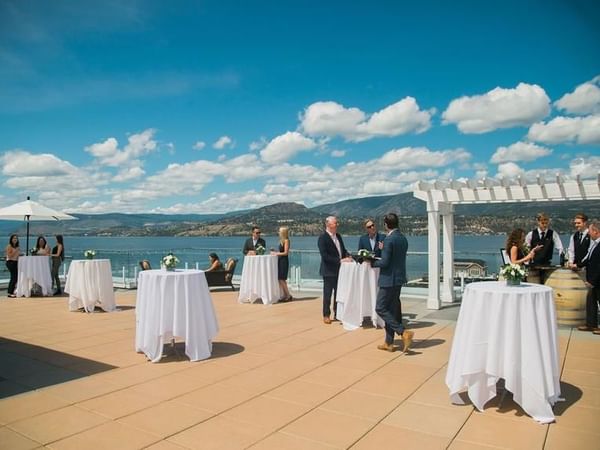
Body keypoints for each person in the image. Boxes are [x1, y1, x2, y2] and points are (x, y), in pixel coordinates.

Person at [371, 213, 414, 353]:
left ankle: (403, 332)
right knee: (390, 310)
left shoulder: (389, 240)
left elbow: (385, 262)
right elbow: (396, 257)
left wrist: (371, 262)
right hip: (399, 279)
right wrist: (384, 249)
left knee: (380, 308)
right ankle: (388, 342)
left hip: (388, 280)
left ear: (386, 225)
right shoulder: (403, 238)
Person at [317, 216, 351, 324]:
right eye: (335, 223)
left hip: (340, 270)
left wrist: (348, 256)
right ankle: (326, 315)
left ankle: (338, 314)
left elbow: (343, 250)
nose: (337, 225)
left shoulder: (338, 236)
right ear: (328, 224)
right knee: (327, 294)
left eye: (337, 223)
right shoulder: (322, 238)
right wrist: (340, 260)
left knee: (338, 293)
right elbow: (325, 256)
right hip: (328, 271)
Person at [576, 221, 600, 335]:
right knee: (591, 302)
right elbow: (589, 260)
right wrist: (577, 265)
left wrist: (592, 281)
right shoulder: (595, 244)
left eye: (590, 231)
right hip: (593, 280)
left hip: (597, 281)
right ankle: (591, 325)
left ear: (596, 231)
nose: (589, 234)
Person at [272, 226, 292, 302]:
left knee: (282, 279)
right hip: (280, 261)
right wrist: (276, 251)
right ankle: (285, 295)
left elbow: (286, 253)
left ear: (283, 232)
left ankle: (288, 295)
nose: (278, 232)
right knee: (280, 279)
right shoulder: (282, 240)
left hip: (283, 261)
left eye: (280, 231)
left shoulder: (286, 240)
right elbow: (282, 251)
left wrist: (276, 253)